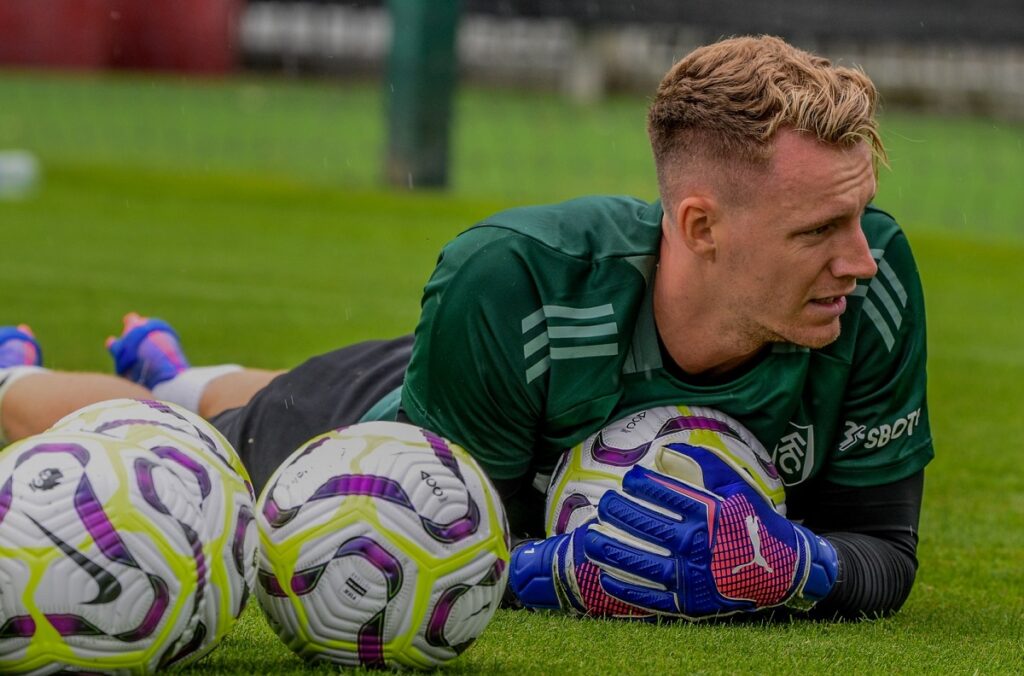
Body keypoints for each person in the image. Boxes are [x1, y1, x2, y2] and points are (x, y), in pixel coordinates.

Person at [0, 35, 930, 621]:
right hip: (387, 435)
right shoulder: (513, 281)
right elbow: (435, 543)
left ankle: (176, 360)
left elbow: (883, 552)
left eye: (859, 216)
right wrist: (546, 574)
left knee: (284, 382)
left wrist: (802, 566)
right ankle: (24, 375)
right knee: (192, 458)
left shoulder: (870, 290)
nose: (861, 257)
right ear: (699, 226)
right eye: (818, 231)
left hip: (471, 390)